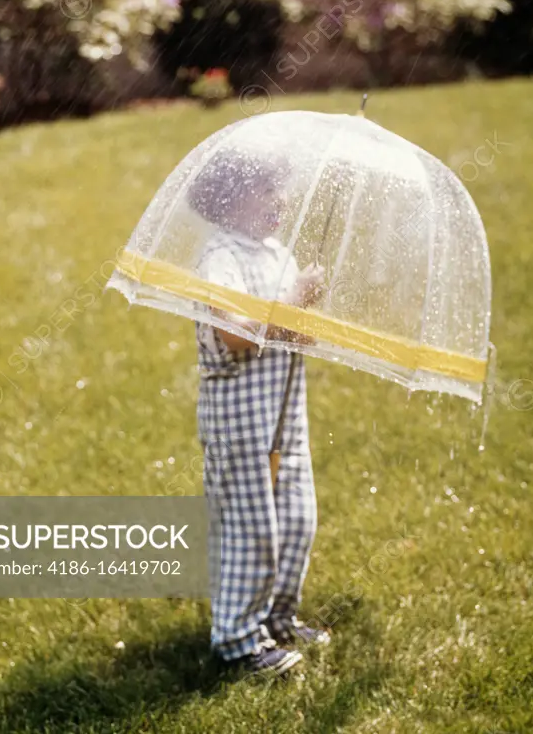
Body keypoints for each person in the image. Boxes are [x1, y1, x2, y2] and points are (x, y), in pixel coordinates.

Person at [188, 150, 330, 676]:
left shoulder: (279, 254)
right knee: (251, 532)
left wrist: (305, 312)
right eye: (265, 189)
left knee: (296, 521)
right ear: (229, 200)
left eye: (281, 189)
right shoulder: (219, 256)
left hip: (286, 417)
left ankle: (276, 619)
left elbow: (294, 333)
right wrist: (293, 300)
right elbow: (234, 333)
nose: (281, 200)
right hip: (239, 424)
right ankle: (238, 641)